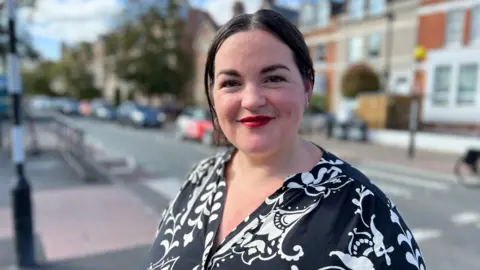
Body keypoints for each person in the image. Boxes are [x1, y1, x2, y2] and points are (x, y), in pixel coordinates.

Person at [142, 9, 426, 270]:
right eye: (231, 83)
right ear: (213, 97)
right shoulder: (199, 178)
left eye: (273, 78)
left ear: (307, 86)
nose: (252, 100)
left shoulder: (365, 215)